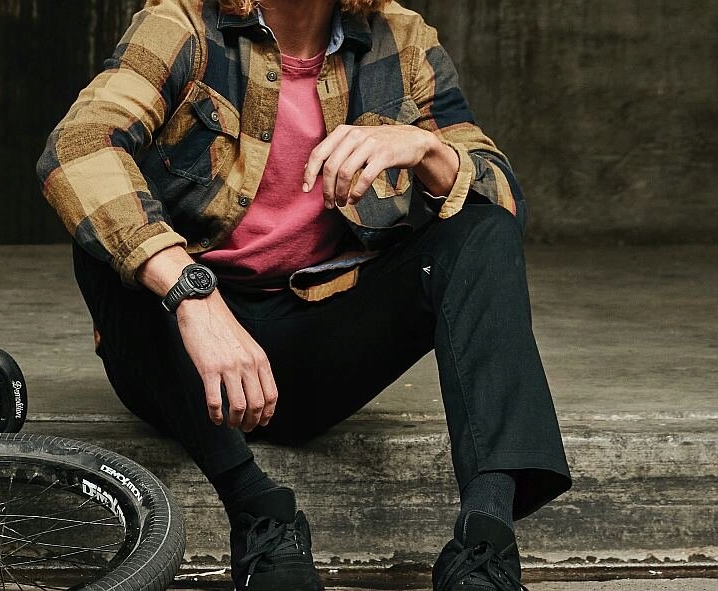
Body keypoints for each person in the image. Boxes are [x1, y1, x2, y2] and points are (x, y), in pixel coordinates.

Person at [37, 0, 572, 589]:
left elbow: (504, 202)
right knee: (111, 241)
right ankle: (259, 514)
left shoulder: (400, 39)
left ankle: (485, 540)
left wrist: (427, 151)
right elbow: (77, 145)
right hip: (183, 353)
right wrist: (192, 294)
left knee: (483, 231)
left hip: (315, 343)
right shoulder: (181, 24)